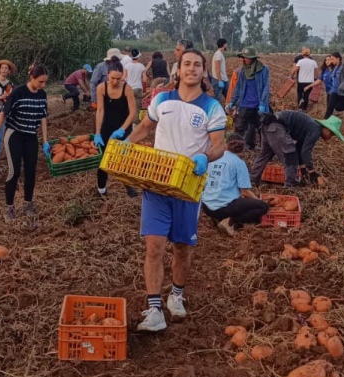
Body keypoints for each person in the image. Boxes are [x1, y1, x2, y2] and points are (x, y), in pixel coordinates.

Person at [127, 49, 227, 333]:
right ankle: (154, 308)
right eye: (187, 64)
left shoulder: (211, 107)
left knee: (182, 248)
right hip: (157, 182)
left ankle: (177, 294)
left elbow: (219, 143)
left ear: (203, 72)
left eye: (197, 65)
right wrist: (123, 143)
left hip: (187, 187)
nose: (191, 69)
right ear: (178, 70)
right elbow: (145, 128)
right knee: (154, 245)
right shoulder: (162, 99)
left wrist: (206, 157)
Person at [0, 65, 50, 228]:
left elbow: (43, 118)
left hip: (30, 136)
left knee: (31, 171)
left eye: (44, 82)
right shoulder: (18, 92)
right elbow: (4, 113)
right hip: (14, 135)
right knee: (14, 171)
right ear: (32, 78)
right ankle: (9, 207)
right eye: (40, 82)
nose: (42, 85)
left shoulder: (42, 95)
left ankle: (28, 203)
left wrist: (45, 141)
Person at [250, 111, 344, 189]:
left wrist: (303, 169)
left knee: (264, 154)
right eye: (332, 135)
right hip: (277, 127)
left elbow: (300, 148)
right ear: (327, 130)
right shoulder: (316, 130)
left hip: (268, 126)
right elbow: (306, 151)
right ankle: (291, 186)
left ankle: (253, 180)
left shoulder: (310, 126)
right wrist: (312, 172)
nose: (330, 137)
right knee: (290, 155)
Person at [200, 137, 269, 235]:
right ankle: (230, 221)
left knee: (239, 202)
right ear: (242, 149)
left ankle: (218, 218)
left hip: (206, 206)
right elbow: (245, 191)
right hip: (223, 207)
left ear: (226, 145)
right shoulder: (239, 163)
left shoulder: (213, 159)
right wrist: (259, 201)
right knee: (262, 207)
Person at [94, 58, 138, 199]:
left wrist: (122, 130)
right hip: (107, 127)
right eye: (113, 78)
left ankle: (128, 186)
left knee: (123, 159)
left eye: (118, 79)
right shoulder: (102, 88)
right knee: (103, 160)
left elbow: (132, 113)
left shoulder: (127, 88)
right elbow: (100, 110)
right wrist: (97, 132)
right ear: (108, 75)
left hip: (123, 127)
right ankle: (101, 190)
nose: (115, 81)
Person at [226, 47, 270, 151]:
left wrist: (263, 103)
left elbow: (265, 87)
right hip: (244, 104)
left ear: (254, 58)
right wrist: (232, 101)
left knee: (262, 129)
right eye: (244, 58)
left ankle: (264, 150)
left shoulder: (263, 69)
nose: (245, 60)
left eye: (247, 58)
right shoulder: (242, 71)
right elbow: (238, 87)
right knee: (239, 128)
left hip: (258, 105)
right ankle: (235, 149)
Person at [322, 53, 344, 121]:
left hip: (343, 91)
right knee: (330, 107)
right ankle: (325, 121)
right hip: (334, 91)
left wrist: (340, 88)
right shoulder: (334, 67)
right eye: (331, 59)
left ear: (338, 58)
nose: (332, 61)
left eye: (333, 59)